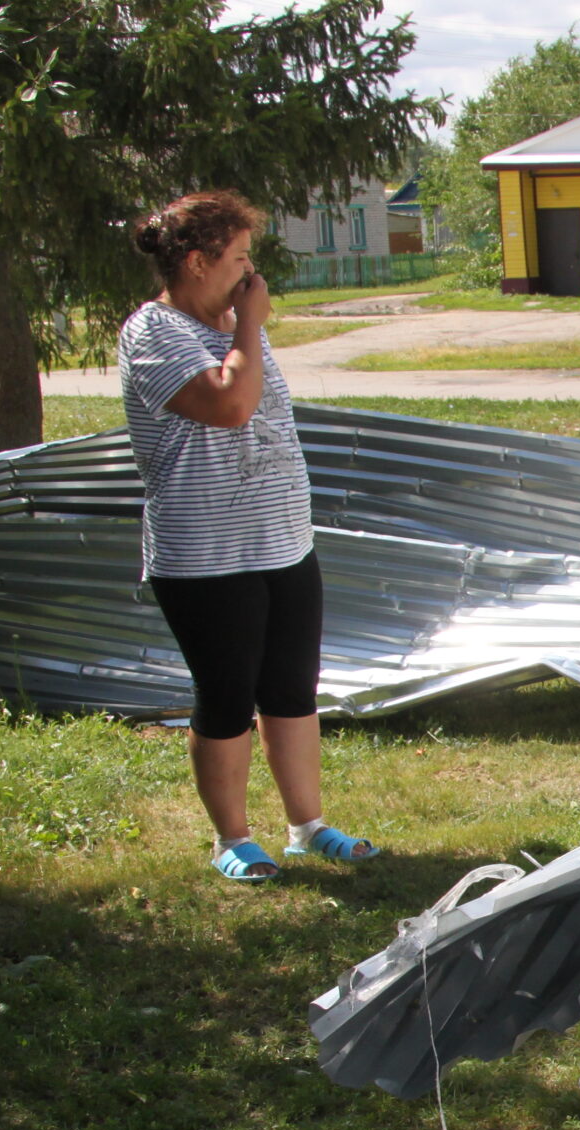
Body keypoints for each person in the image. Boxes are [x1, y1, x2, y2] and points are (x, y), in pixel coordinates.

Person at [120, 190, 379, 883]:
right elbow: (230, 405)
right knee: (228, 694)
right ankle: (232, 838)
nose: (251, 272)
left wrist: (246, 327)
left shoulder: (238, 325)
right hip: (205, 555)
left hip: (283, 541)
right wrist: (251, 326)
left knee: (293, 689)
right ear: (199, 262)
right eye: (239, 258)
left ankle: (308, 827)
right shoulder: (153, 333)